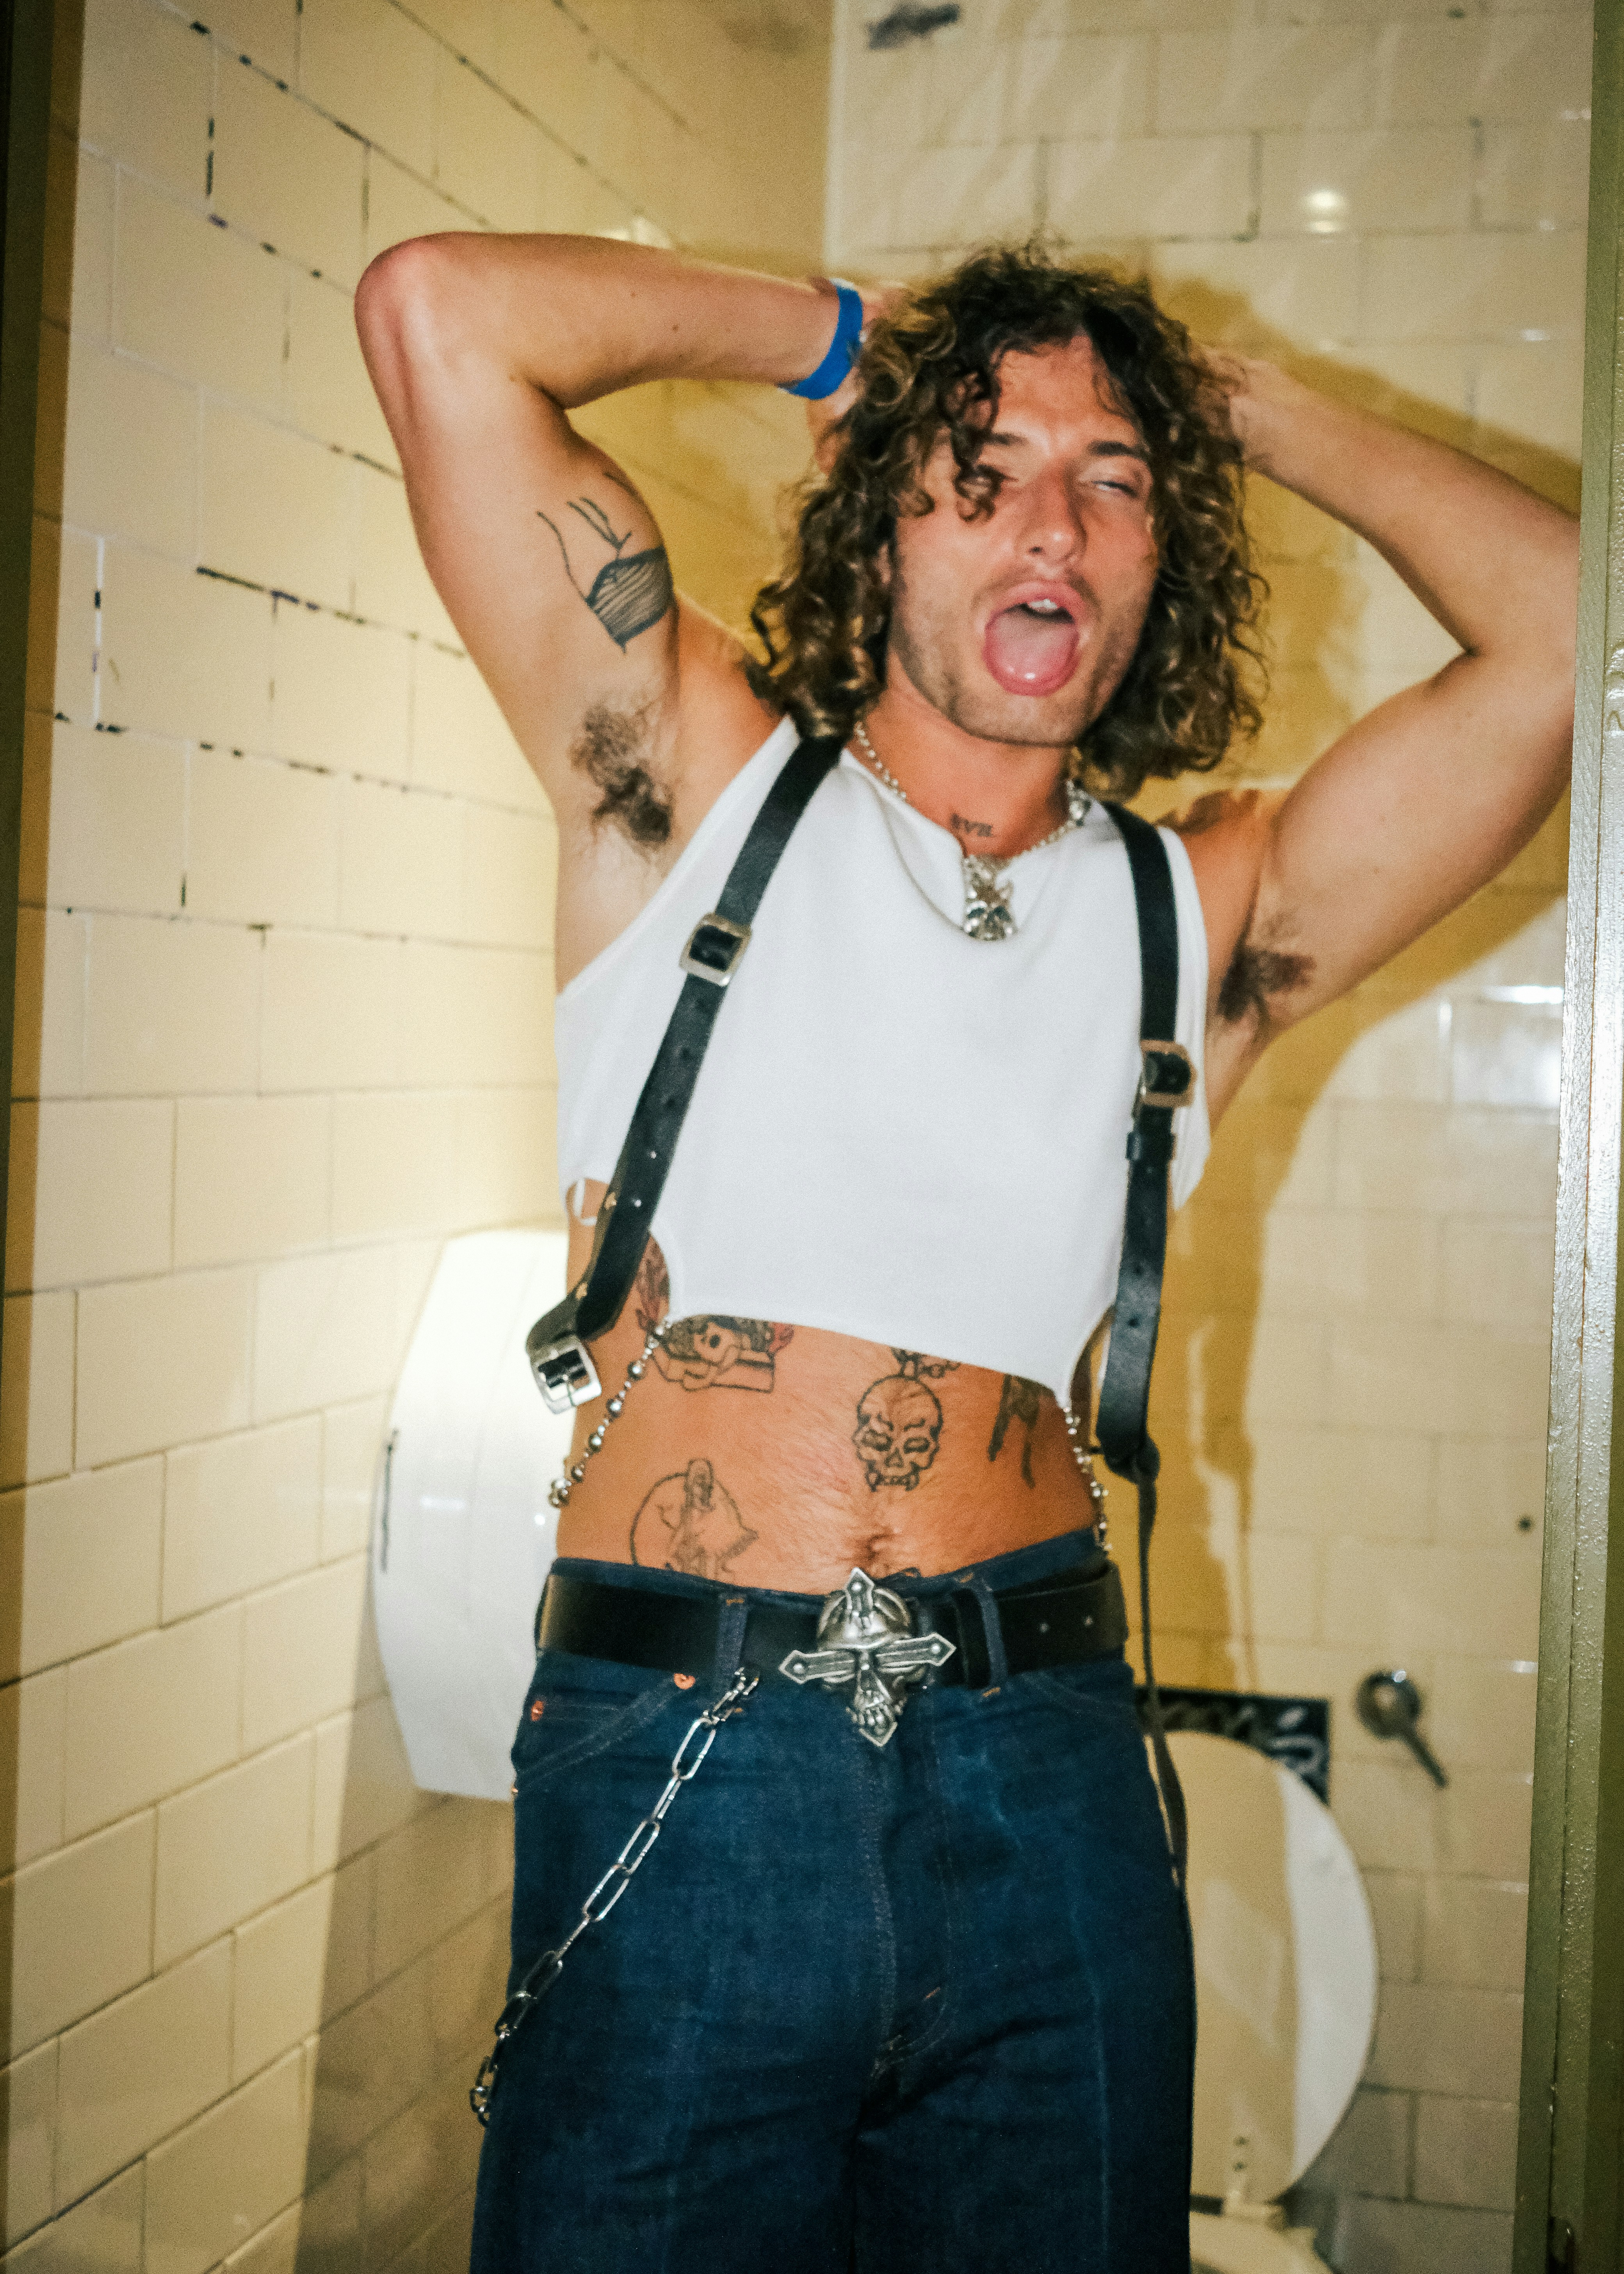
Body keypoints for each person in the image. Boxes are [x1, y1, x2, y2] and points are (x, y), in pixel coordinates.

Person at [356, 236, 1577, 2272]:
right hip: (694, 1761)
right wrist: (843, 338)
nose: (1055, 523)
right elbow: (435, 321)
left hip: (1053, 1777)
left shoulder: (1201, 914)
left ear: (1162, 548)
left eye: (1112, 481)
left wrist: (1232, 408)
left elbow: (1561, 636)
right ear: (884, 512)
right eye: (985, 463)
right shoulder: (690, 776)